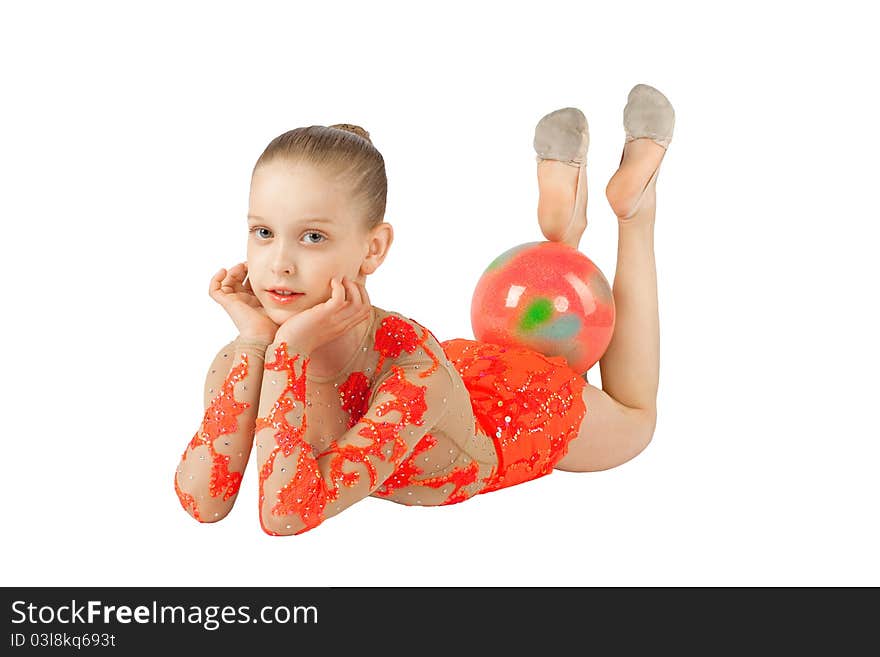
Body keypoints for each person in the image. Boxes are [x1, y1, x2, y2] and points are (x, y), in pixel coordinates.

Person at [174, 83, 673, 536]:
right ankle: (567, 229)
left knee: (636, 419)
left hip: (519, 417)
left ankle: (635, 216)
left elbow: (287, 513)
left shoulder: (411, 367)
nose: (279, 264)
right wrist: (259, 343)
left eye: (313, 237)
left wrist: (286, 352)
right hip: (465, 374)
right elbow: (204, 502)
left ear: (373, 249)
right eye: (263, 232)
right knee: (564, 337)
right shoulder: (248, 350)